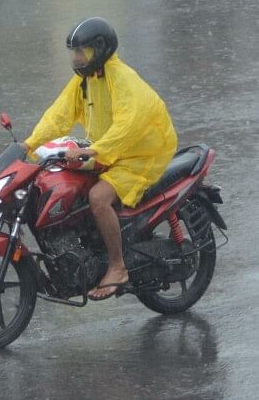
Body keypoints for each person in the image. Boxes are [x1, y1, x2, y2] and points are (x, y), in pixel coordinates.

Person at [20, 17, 177, 301]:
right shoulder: (86, 81)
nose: (77, 58)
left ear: (99, 49)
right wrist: (29, 144)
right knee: (65, 183)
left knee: (98, 197)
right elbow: (59, 115)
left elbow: (127, 126)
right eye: (75, 52)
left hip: (142, 153)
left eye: (82, 51)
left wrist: (92, 151)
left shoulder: (122, 78)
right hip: (110, 151)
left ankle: (117, 268)